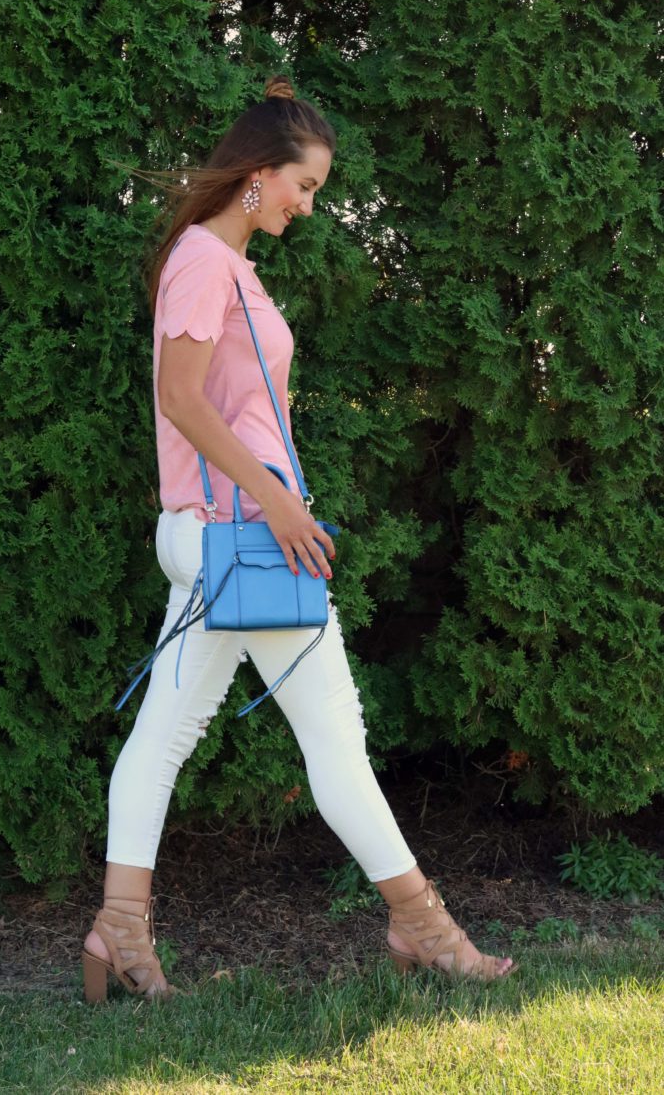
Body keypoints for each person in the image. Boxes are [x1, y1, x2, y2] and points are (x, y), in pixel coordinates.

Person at [82, 76, 514, 1002]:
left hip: (217, 536)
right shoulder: (205, 261)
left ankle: (119, 929)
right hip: (240, 535)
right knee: (335, 737)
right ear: (257, 174)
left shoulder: (230, 264)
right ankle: (425, 926)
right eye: (303, 187)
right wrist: (278, 505)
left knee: (168, 731)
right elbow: (182, 400)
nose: (307, 206)